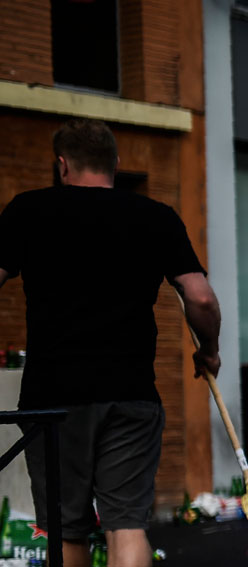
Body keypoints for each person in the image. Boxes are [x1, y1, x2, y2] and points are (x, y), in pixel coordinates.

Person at [0, 119, 220, 567]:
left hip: (52, 399)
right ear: (116, 164)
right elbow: (200, 298)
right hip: (130, 393)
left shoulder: (28, 210)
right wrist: (209, 350)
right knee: (126, 525)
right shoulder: (156, 216)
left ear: (62, 165)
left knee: (67, 531)